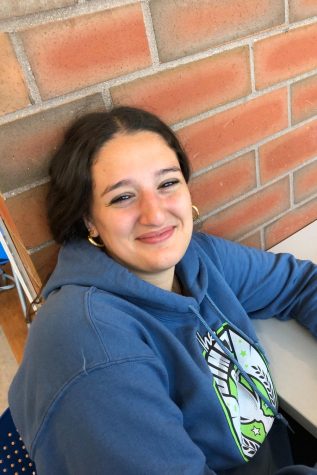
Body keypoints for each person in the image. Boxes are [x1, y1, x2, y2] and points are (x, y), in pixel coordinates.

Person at [9, 107, 317, 475]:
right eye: (122, 197)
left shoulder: (196, 258)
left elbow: (300, 284)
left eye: (168, 183)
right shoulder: (92, 349)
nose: (155, 214)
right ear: (89, 219)